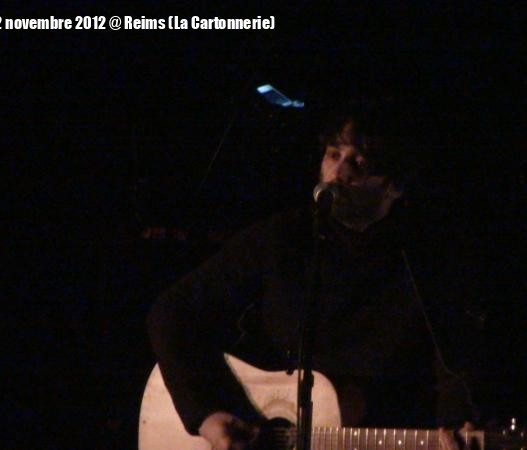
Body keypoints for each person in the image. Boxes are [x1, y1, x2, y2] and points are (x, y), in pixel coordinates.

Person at [147, 103, 482, 449]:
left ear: (394, 186)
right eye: (333, 154)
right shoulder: (282, 237)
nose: (338, 172)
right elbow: (171, 312)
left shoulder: (423, 259)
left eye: (359, 164)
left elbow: (454, 361)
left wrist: (458, 419)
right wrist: (207, 413)